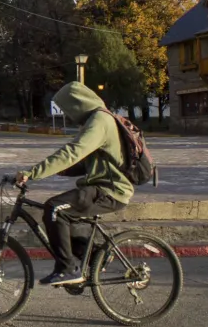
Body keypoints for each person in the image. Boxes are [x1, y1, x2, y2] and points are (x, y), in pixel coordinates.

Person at [14, 82, 133, 286]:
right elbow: (86, 162)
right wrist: (58, 170)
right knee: (63, 215)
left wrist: (33, 173)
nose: (68, 115)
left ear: (78, 104)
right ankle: (96, 254)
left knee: (54, 209)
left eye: (68, 109)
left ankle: (68, 269)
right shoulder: (95, 120)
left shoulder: (100, 120)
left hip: (110, 191)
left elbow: (73, 152)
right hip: (100, 186)